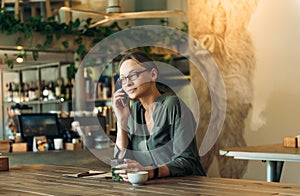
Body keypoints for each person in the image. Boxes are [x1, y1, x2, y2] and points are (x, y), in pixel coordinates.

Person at [112, 50, 205, 181]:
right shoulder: (134, 112)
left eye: (133, 75)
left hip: (188, 187)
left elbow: (188, 162)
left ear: (153, 74)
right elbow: (120, 167)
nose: (127, 83)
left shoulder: (172, 105)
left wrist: (150, 172)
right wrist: (121, 121)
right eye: (122, 79)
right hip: (154, 190)